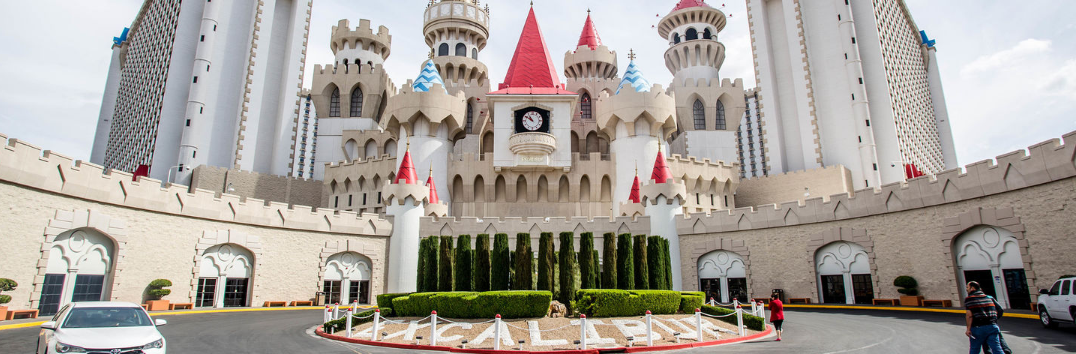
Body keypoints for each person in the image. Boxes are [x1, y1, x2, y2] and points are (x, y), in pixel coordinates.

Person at [964, 281, 1005, 354]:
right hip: (992, 326)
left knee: (975, 349)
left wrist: (968, 329)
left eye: (967, 287)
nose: (966, 289)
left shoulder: (969, 299)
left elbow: (969, 315)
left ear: (972, 288)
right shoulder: (989, 298)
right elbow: (1000, 310)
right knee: (997, 348)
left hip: (978, 328)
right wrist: (993, 320)